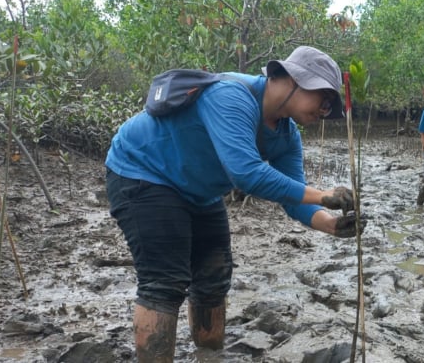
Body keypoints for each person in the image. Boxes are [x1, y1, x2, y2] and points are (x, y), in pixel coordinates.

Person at [105, 46, 365, 362]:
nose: (324, 110)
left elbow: (293, 199)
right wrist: (323, 194)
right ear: (293, 79)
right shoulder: (231, 95)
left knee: (214, 276)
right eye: (322, 100)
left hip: (199, 191)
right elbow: (247, 174)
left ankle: (208, 356)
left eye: (329, 106)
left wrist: (331, 224)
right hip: (142, 171)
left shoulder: (287, 135)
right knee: (165, 280)